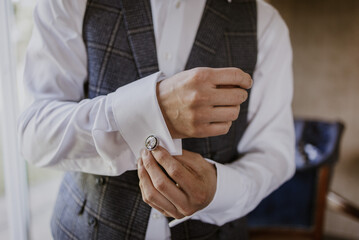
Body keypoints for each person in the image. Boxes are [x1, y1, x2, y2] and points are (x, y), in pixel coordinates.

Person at [18, 0, 295, 239]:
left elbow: (274, 153)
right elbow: (34, 133)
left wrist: (219, 189)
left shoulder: (267, 25)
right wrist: (152, 109)